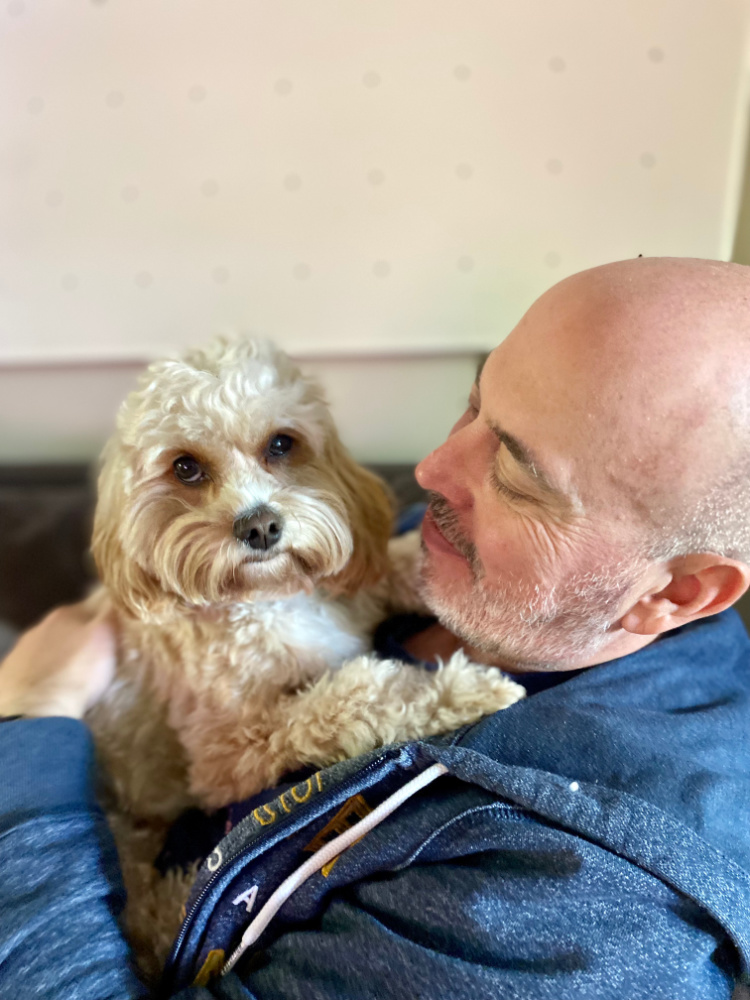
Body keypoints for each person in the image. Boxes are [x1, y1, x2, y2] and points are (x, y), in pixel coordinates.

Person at [1, 256, 750, 1000]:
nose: (428, 469)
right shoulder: (473, 559)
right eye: (474, 405)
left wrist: (33, 716)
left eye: (518, 474)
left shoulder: (570, 909)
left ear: (677, 591)